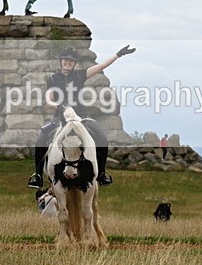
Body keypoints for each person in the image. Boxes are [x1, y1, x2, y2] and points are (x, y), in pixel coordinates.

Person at [28, 45, 135, 189]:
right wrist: (59, 106)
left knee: (102, 138)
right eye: (65, 60)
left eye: (71, 61)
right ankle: (38, 175)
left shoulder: (80, 75)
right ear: (61, 61)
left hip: (81, 117)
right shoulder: (52, 79)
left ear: (74, 63)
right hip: (60, 118)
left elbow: (101, 66)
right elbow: (49, 100)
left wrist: (118, 54)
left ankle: (101, 173)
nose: (68, 62)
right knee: (41, 138)